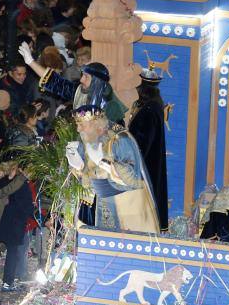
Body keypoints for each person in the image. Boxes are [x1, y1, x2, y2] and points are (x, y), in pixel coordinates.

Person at [65, 105, 160, 233]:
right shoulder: (88, 138)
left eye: (82, 124)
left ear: (96, 124)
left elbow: (133, 177)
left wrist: (104, 162)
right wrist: (77, 166)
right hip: (100, 203)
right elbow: (87, 178)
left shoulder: (121, 139)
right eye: (77, 125)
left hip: (126, 206)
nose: (78, 129)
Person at [18, 42, 128, 125]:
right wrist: (30, 62)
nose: (81, 80)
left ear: (96, 82)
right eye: (82, 75)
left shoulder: (110, 105)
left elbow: (116, 135)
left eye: (86, 77)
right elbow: (57, 83)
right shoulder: (80, 90)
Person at [128, 64, 169, 232]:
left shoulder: (149, 110)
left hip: (145, 165)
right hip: (148, 161)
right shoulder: (152, 106)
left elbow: (142, 142)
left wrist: (131, 161)